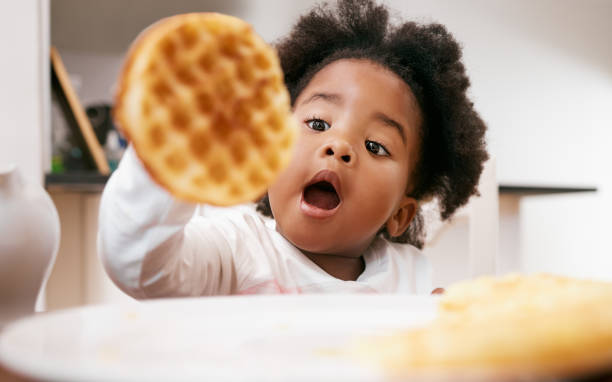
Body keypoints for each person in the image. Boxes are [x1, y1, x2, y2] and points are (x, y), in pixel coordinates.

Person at [98, 0, 488, 298]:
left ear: (401, 214)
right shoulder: (237, 251)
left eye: (375, 146)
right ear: (268, 149)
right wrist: (164, 161)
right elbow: (139, 266)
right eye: (318, 124)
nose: (338, 146)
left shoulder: (408, 280)